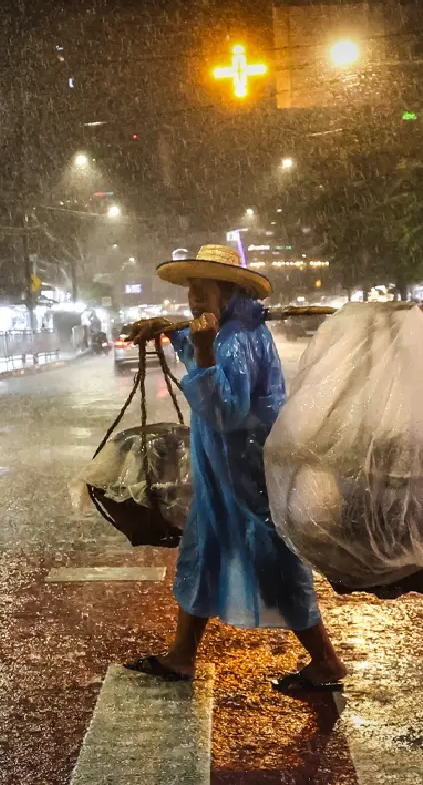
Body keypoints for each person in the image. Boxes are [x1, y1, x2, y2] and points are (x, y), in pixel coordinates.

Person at [121, 244, 347, 693]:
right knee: (203, 553)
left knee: (272, 558)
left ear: (225, 290)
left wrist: (203, 351)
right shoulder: (227, 328)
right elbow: (195, 339)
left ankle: (325, 660)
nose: (193, 299)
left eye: (202, 290)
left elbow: (227, 411)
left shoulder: (237, 339)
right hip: (220, 475)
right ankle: (183, 655)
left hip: (245, 474)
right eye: (190, 290)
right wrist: (172, 332)